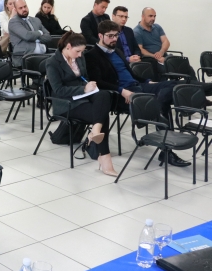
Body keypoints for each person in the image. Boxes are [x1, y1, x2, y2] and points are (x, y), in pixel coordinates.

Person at [84, 20, 187, 167]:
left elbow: (132, 75)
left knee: (174, 85)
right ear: (100, 36)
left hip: (138, 87)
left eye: (116, 35)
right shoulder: (92, 55)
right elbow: (98, 82)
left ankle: (157, 106)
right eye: (110, 36)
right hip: (121, 94)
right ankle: (167, 152)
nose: (114, 39)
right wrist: (122, 90)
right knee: (161, 104)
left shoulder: (117, 51)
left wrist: (148, 81)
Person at [45, 32, 116, 176]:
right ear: (68, 46)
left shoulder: (80, 57)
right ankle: (104, 157)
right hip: (66, 103)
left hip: (83, 96)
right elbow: (58, 90)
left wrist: (89, 85)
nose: (80, 55)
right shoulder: (52, 62)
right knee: (102, 116)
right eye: (77, 51)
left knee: (104, 95)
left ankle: (95, 131)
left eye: (82, 51)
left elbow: (84, 77)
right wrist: (83, 89)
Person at [8, 0, 51, 67]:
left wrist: (35, 38)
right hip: (24, 57)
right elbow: (27, 36)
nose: (24, 9)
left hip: (43, 54)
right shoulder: (13, 22)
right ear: (15, 10)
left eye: (25, 6)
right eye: (20, 8)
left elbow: (48, 36)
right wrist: (40, 32)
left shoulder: (36, 20)